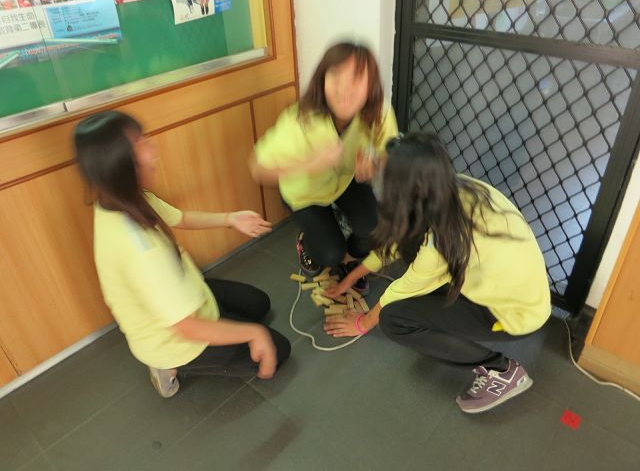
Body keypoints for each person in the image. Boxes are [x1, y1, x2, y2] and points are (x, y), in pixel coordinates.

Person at [324, 132, 551, 413]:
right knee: (411, 258)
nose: (382, 181)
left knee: (393, 319)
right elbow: (397, 240)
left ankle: (500, 371)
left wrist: (363, 322)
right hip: (512, 288)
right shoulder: (451, 188)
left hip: (515, 314)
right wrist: (351, 277)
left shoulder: (442, 240)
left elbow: (403, 288)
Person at [74, 111, 290, 398]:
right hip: (176, 339)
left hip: (187, 294)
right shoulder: (141, 250)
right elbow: (188, 328)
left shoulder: (121, 198)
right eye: (141, 143)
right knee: (278, 348)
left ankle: (227, 326)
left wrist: (230, 218)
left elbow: (180, 217)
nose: (152, 147)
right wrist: (255, 334)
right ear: (119, 163)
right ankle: (168, 366)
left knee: (258, 303)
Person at [250, 42, 398, 294]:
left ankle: (348, 262)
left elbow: (389, 151)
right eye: (336, 77)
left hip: (345, 180)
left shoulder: (376, 112)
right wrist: (311, 165)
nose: (345, 90)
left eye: (357, 79)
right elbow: (257, 169)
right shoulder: (299, 119)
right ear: (322, 80)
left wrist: (375, 165)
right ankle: (308, 243)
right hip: (303, 192)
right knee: (329, 254)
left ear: (371, 85)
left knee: (374, 231)